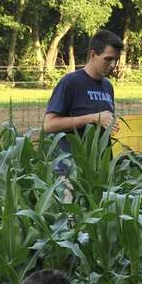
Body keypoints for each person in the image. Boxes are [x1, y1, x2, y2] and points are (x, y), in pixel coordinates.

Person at [44, 29, 123, 175]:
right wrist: (93, 118)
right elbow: (49, 125)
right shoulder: (71, 82)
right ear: (93, 55)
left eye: (116, 60)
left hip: (98, 172)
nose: (113, 65)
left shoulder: (108, 86)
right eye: (108, 59)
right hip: (69, 170)